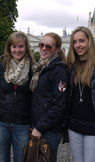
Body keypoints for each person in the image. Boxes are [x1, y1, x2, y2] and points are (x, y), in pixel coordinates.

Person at [66, 26, 95, 162]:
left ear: (90, 42)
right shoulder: (72, 65)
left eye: (81, 41)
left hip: (94, 125)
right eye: (74, 42)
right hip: (74, 124)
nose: (78, 45)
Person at [0, 32, 35, 162]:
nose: (17, 50)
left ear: (26, 48)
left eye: (20, 46)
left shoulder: (34, 69)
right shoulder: (1, 68)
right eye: (14, 46)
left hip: (23, 123)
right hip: (0, 122)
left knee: (21, 159)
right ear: (9, 48)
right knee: (1, 159)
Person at [30, 32, 69, 162]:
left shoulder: (59, 70)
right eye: (42, 45)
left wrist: (40, 127)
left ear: (57, 49)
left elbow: (59, 105)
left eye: (48, 46)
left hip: (49, 130)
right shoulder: (41, 67)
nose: (43, 49)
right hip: (39, 126)